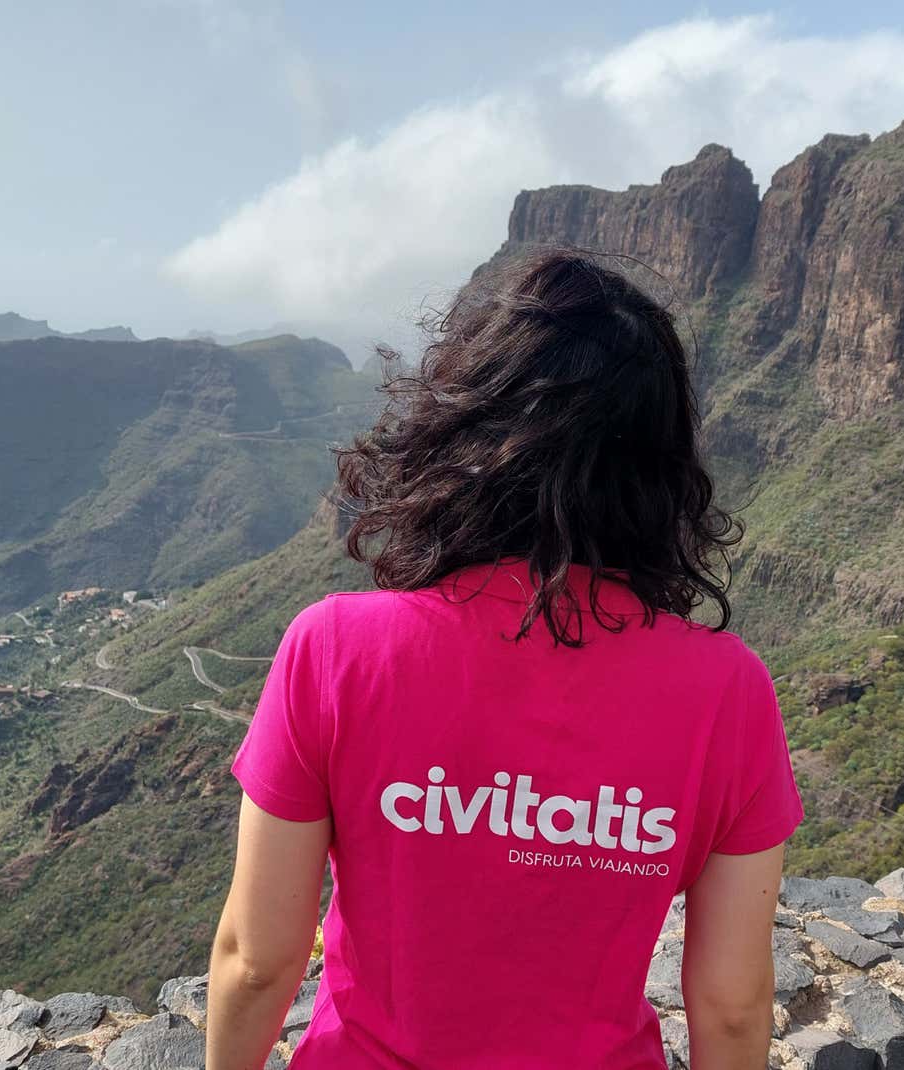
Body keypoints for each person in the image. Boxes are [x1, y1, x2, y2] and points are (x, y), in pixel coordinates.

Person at [205, 251, 803, 1069]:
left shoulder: (334, 651)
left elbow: (258, 960)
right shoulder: (728, 690)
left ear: (460, 427)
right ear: (660, 468)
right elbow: (732, 1009)